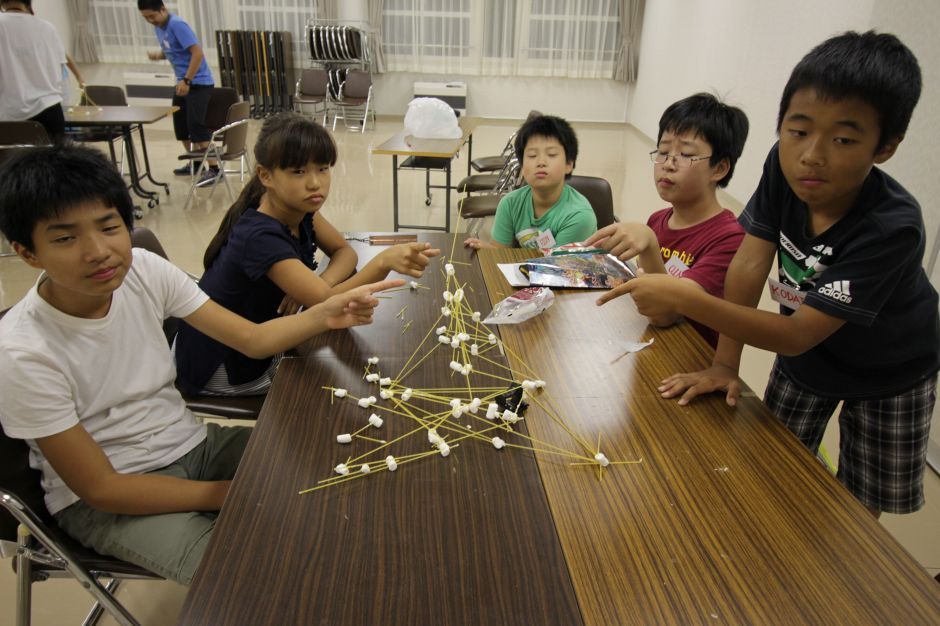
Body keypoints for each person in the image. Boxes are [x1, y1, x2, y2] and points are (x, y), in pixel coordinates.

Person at [0, 144, 401, 584]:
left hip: (191, 444)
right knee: (252, 579)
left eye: (109, 226)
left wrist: (325, 313)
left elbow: (251, 339)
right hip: (110, 499)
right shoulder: (21, 352)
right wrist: (233, 495)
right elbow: (101, 487)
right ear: (28, 253)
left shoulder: (144, 271)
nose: (99, 251)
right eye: (65, 238)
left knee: (348, 459)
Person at [603, 31, 939, 517]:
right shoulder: (784, 170)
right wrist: (725, 364)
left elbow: (798, 334)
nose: (812, 155)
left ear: (885, 146)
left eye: (843, 139)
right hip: (805, 362)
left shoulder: (892, 227)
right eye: (798, 131)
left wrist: (685, 298)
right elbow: (750, 263)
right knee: (776, 468)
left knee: (862, 502)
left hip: (891, 371)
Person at [174, 113, 441, 396]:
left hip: (260, 338)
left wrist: (315, 287)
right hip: (224, 365)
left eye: (323, 168)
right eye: (298, 172)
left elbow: (344, 252)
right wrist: (383, 261)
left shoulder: (298, 207)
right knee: (329, 392)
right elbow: (329, 304)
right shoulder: (260, 236)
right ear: (266, 176)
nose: (315, 183)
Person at [585, 93, 748, 347]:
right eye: (662, 151)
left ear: (719, 168)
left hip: (690, 359)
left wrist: (650, 245)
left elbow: (664, 315)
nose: (668, 164)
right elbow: (647, 301)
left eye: (685, 154)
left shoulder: (729, 239)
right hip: (652, 346)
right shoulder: (659, 219)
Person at [464, 114, 596, 250]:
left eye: (551, 155)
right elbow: (500, 251)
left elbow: (558, 267)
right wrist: (484, 249)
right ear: (522, 164)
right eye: (532, 155)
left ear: (568, 164)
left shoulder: (579, 216)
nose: (541, 162)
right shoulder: (510, 203)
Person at [138, 0, 218, 186]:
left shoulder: (177, 25)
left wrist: (187, 80)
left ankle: (215, 169)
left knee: (197, 127)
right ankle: (196, 164)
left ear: (163, 9)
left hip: (198, 83)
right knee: (182, 128)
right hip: (183, 84)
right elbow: (172, 49)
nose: (151, 20)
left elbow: (197, 53)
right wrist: (158, 56)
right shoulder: (159, 27)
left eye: (153, 16)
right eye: (146, 18)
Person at [0, 0, 78, 141]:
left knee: (11, 162)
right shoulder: (47, 28)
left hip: (8, 114)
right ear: (28, 3)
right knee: (54, 162)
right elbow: (61, 70)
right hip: (49, 111)